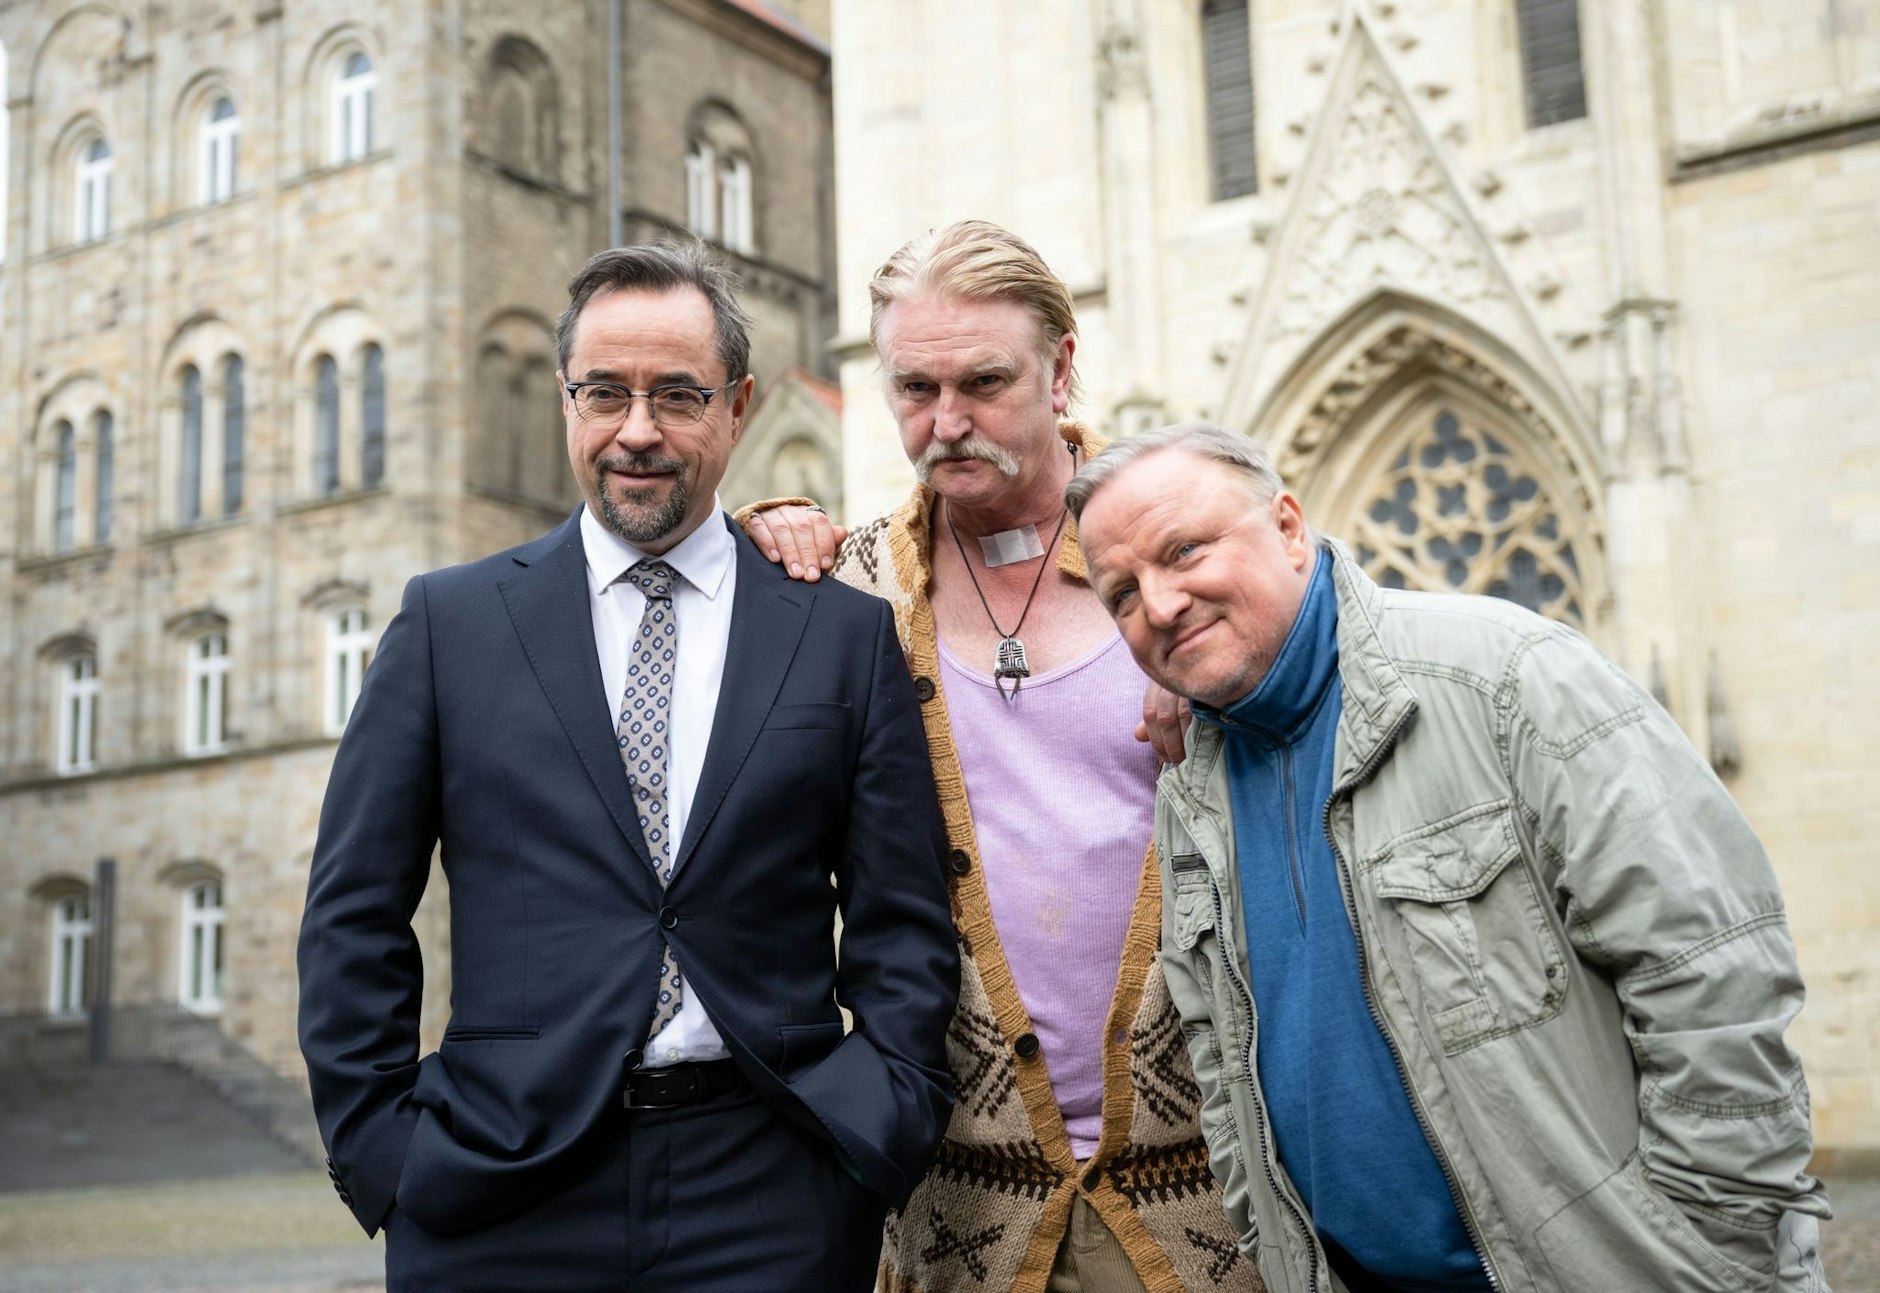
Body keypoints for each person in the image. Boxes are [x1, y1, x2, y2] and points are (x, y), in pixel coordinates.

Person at [297, 241, 960, 1292]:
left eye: (677, 395)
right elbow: (352, 913)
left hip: (771, 1193)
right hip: (498, 1194)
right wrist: (385, 1156)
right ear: (567, 401)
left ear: (736, 407)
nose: (637, 430)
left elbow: (900, 919)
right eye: (604, 392)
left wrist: (878, 1125)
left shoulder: (839, 637)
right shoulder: (449, 624)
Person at [1069, 421, 1834, 1293]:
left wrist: (1700, 1249)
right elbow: (1221, 1055)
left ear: (1288, 526)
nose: (1160, 605)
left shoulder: (1509, 677)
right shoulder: (1189, 787)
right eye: (1122, 592)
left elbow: (1715, 974)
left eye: (1184, 551)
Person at [741, 222, 1260, 1293]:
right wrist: (745, 538)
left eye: (983, 381)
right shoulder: (844, 596)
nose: (946, 424)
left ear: (1061, 363)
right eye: (913, 391)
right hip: (960, 1217)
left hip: (1213, 1196)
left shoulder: (1184, 566)